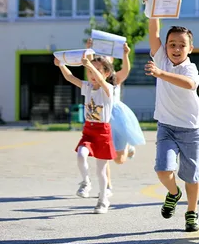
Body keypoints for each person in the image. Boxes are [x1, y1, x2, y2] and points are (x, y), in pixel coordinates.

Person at [144, 0, 199, 232]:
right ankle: (173, 193)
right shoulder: (161, 58)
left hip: (190, 129)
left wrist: (160, 73)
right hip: (167, 126)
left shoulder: (190, 68)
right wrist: (153, 9)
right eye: (172, 44)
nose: (176, 49)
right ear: (165, 47)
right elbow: (154, 31)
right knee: (163, 170)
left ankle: (192, 212)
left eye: (181, 45)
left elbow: (189, 85)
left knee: (191, 175)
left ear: (190, 48)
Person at [55, 55, 117, 214]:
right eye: (89, 70)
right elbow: (70, 77)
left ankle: (103, 200)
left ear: (106, 73)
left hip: (103, 131)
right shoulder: (88, 87)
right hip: (89, 130)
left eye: (96, 69)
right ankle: (86, 182)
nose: (91, 73)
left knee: (101, 170)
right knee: (81, 154)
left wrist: (89, 64)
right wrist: (61, 64)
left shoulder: (108, 89)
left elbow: (102, 82)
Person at [86, 39, 146, 197]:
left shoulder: (114, 79)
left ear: (111, 63)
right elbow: (89, 65)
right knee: (102, 154)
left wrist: (126, 55)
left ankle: (128, 148)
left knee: (119, 160)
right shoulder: (92, 80)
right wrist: (89, 50)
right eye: (99, 57)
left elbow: (125, 71)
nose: (103, 59)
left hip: (117, 118)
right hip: (100, 119)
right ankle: (107, 186)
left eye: (107, 57)